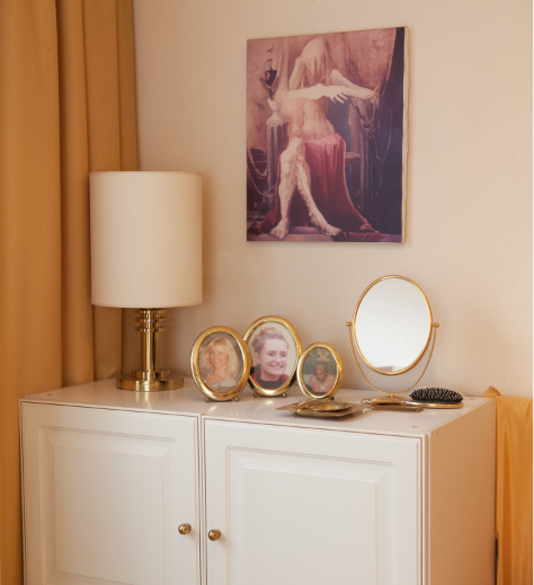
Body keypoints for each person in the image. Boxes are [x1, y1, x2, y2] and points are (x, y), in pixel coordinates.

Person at [263, 36, 378, 240]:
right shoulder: (300, 67)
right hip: (300, 136)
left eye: (318, 57)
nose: (314, 62)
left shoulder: (330, 74)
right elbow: (286, 96)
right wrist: (319, 90)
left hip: (323, 138)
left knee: (292, 155)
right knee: (291, 154)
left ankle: (290, 219)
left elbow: (367, 93)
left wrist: (340, 89)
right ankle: (310, 216)